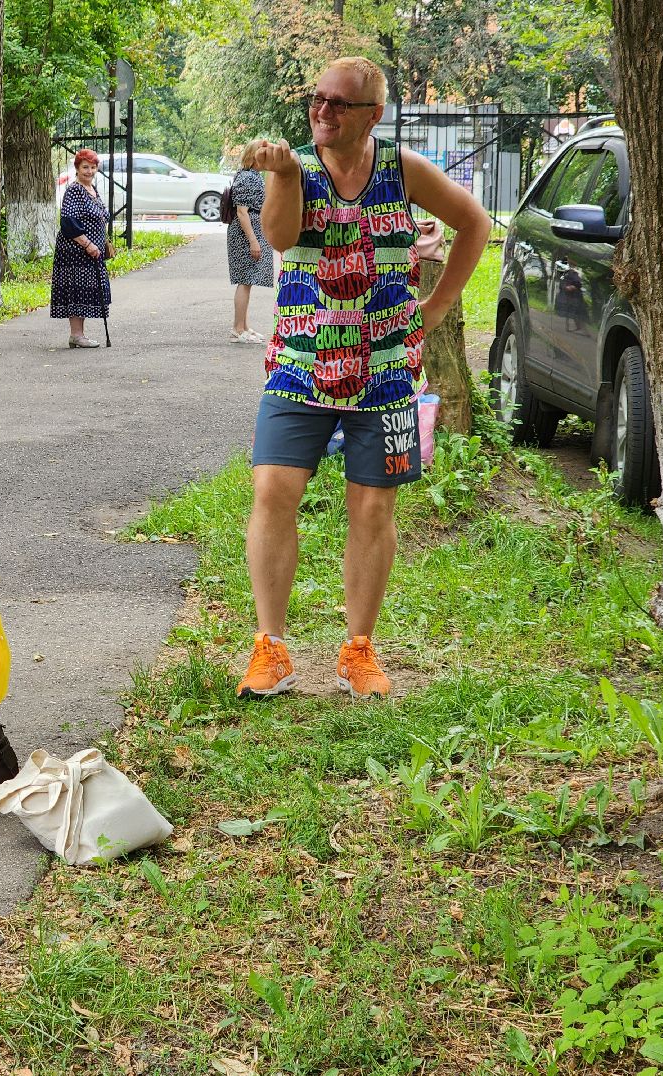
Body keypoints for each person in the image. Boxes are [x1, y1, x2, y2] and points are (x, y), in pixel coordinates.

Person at [235, 56, 489, 700]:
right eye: (317, 99)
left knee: (373, 508)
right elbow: (279, 236)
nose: (322, 111)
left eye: (338, 103)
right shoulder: (298, 168)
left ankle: (359, 649)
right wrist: (287, 175)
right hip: (298, 365)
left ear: (372, 115)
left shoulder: (403, 169)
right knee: (272, 493)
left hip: (386, 373)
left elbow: (476, 223)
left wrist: (432, 311)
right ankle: (271, 647)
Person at [49, 148, 111, 349]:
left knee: (85, 291)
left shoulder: (92, 189)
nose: (90, 171)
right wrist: (88, 244)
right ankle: (77, 335)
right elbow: (68, 222)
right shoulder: (74, 190)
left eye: (93, 167)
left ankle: (78, 335)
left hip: (90, 252)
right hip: (76, 251)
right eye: (85, 167)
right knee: (77, 291)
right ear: (77, 168)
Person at [226, 163, 274, 343]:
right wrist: (253, 240)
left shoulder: (251, 175)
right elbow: (242, 212)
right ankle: (238, 329)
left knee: (248, 280)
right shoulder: (247, 177)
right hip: (245, 234)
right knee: (245, 280)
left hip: (252, 231)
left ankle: (244, 327)